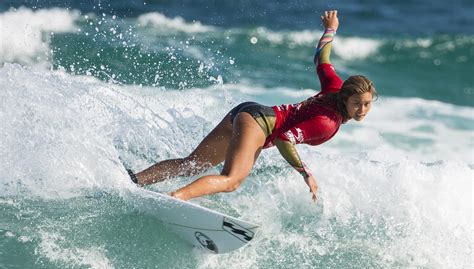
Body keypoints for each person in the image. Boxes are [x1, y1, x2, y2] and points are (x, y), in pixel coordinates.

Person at [127, 10, 377, 202]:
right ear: (345, 99)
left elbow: (321, 57)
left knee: (194, 163)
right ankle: (176, 199)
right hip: (259, 125)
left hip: (248, 112)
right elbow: (283, 139)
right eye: (357, 104)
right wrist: (305, 173)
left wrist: (330, 29)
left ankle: (135, 180)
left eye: (366, 104)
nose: (362, 110)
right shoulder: (327, 123)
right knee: (231, 180)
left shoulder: (334, 86)